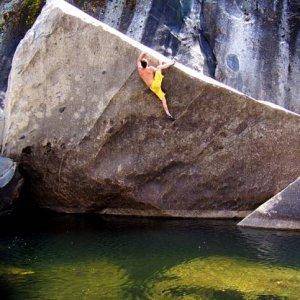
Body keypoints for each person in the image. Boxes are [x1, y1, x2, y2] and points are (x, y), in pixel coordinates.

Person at [137, 52, 175, 120]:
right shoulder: (150, 68)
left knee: (163, 99)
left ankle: (168, 113)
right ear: (147, 64)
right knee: (159, 67)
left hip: (152, 87)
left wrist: (142, 54)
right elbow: (157, 70)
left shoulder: (140, 70)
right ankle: (171, 62)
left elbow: (138, 60)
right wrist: (145, 52)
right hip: (156, 83)